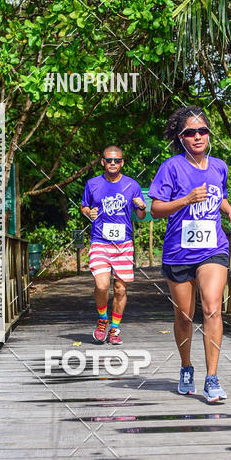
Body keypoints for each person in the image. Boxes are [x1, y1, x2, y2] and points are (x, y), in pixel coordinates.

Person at [148, 106, 231, 402]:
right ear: (181, 137)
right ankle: (186, 367)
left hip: (213, 247)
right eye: (191, 132)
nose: (198, 136)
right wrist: (186, 199)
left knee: (213, 307)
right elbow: (155, 209)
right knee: (185, 316)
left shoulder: (219, 166)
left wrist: (230, 211)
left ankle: (212, 378)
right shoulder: (171, 167)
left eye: (203, 130)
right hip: (178, 252)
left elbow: (221, 194)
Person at [81, 145, 146, 345]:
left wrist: (142, 207)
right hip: (100, 241)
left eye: (116, 160)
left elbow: (141, 214)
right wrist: (88, 213)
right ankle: (102, 319)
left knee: (120, 289)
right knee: (101, 285)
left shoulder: (132, 185)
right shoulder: (92, 184)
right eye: (108, 160)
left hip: (123, 244)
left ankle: (115, 329)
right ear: (102, 161)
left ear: (122, 163)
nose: (112, 163)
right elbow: (84, 206)